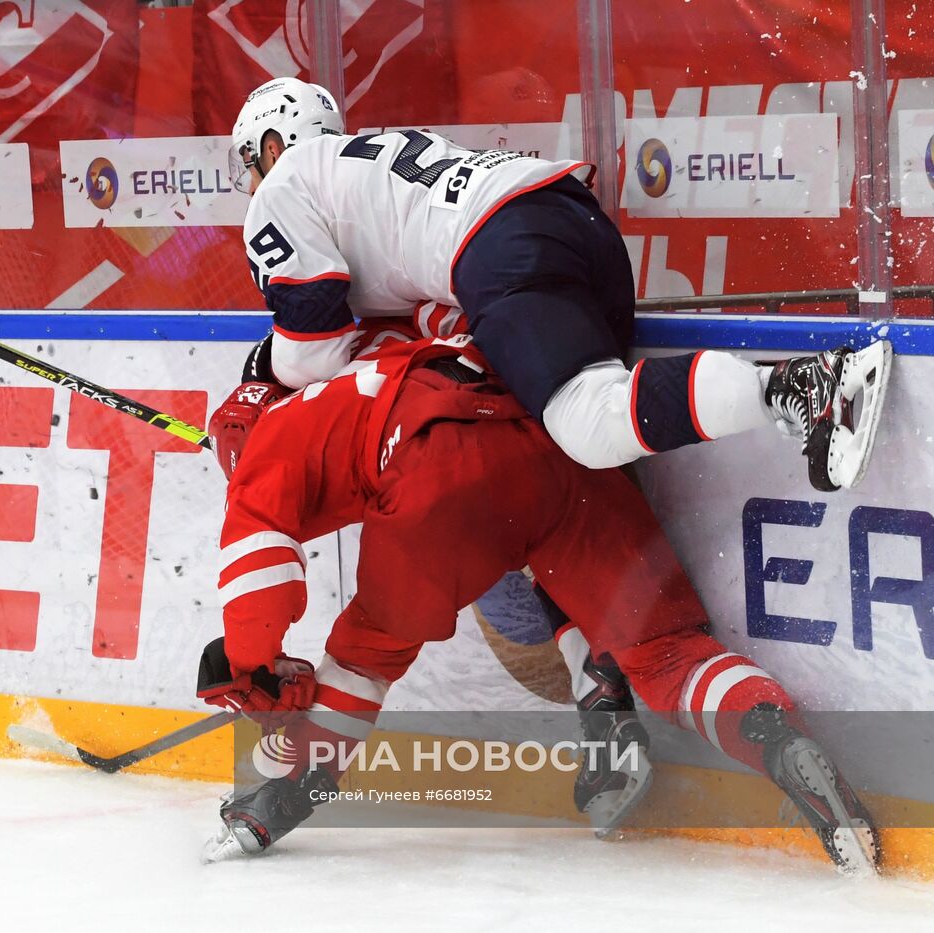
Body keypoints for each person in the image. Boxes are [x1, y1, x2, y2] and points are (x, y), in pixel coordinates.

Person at [195, 326, 881, 875]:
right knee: (666, 650)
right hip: (551, 443)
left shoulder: (259, 454)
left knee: (364, 658)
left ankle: (279, 801)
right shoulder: (377, 353)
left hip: (440, 474)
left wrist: (255, 672)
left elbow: (260, 591)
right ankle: (775, 735)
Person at [226, 77, 891, 492]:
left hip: (501, 244)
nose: (250, 185)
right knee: (595, 423)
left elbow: (311, 347)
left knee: (586, 427)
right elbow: (413, 310)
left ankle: (803, 384)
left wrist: (265, 367)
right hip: (567, 216)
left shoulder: (284, 185)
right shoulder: (361, 169)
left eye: (250, 162)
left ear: (276, 146)